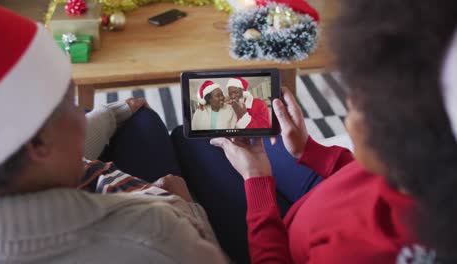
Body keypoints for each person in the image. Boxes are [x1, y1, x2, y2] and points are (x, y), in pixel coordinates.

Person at [174, 0, 457, 262]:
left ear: (406, 142)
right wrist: (309, 151)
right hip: (320, 199)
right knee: (201, 139)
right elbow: (362, 173)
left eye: (360, 102)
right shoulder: (419, 174)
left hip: (276, 237)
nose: (349, 102)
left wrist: (257, 180)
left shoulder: (355, 252)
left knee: (187, 140)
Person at [0, 4, 228, 263]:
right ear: (37, 142)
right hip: (170, 214)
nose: (83, 114)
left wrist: (110, 115)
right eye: (73, 102)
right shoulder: (154, 234)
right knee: (183, 137)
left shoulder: (12, 163)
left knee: (141, 118)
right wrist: (185, 207)